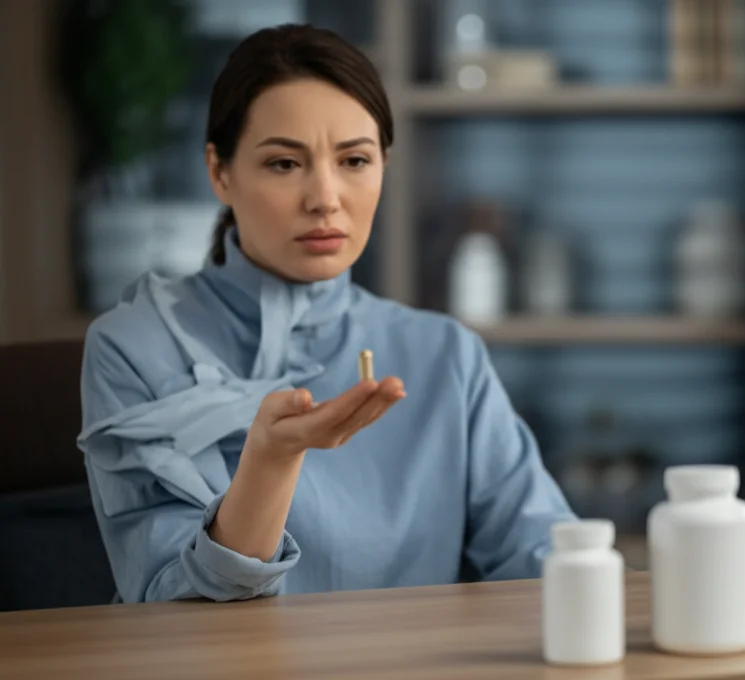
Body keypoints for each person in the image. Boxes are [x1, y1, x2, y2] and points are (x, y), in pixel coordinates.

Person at [77, 24, 577, 604]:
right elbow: (167, 606)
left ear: (384, 166)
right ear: (220, 172)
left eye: (355, 160)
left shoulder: (445, 354)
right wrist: (270, 460)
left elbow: (545, 555)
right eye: (285, 164)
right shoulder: (134, 347)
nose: (325, 197)